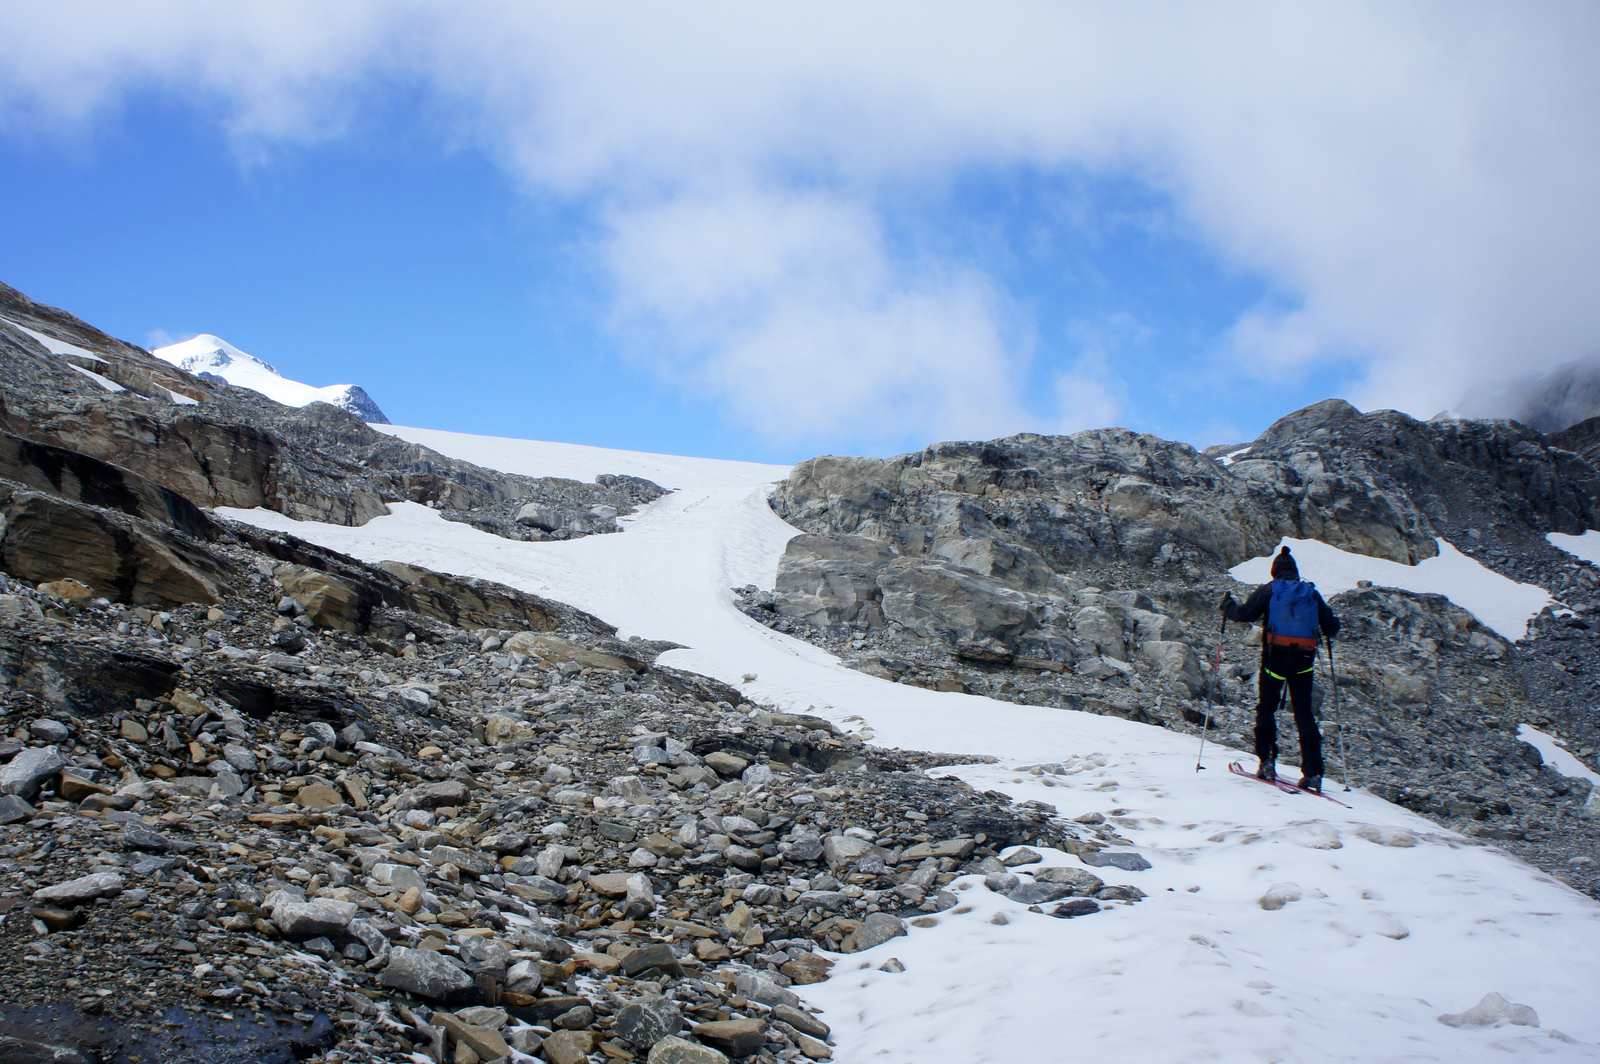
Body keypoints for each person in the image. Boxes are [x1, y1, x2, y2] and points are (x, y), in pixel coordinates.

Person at [1219, 545, 1341, 792]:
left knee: (1267, 708)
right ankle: (1313, 772)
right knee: (1304, 714)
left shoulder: (1270, 590)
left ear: (1274, 571)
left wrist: (1227, 606)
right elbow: (1331, 626)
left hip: (1275, 659)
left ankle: (1267, 762)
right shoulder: (1310, 592)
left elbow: (1245, 614)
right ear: (1295, 572)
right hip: (1304, 662)